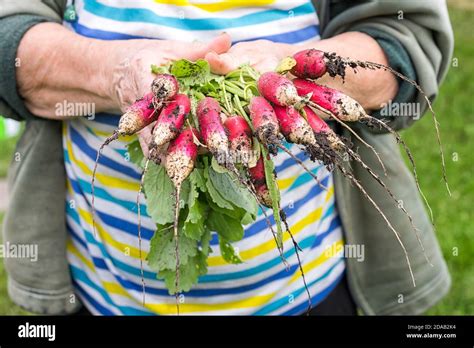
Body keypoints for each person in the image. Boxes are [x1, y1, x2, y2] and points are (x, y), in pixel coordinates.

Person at [0, 0, 453, 315]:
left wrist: (289, 68)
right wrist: (116, 72)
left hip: (309, 287)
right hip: (97, 288)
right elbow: (8, 36)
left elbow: (404, 39)